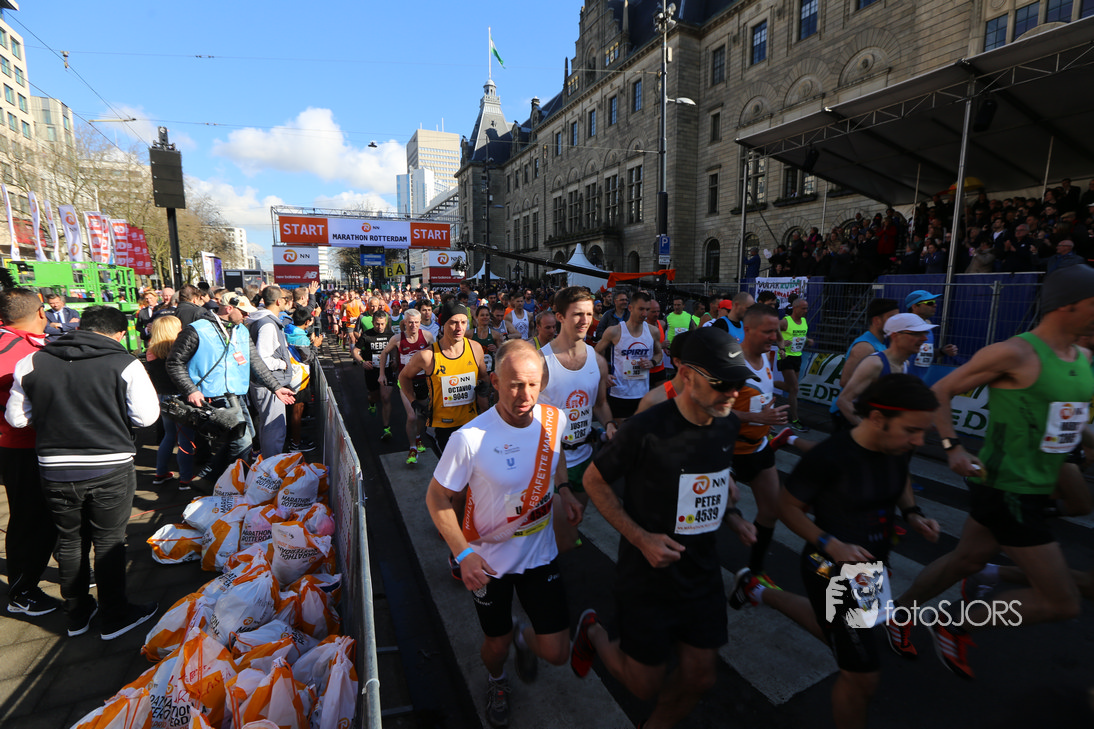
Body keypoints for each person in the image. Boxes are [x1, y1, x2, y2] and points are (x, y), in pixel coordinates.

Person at [884, 266, 1094, 681]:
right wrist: (952, 446)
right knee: (1062, 601)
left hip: (1034, 486)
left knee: (966, 559)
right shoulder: (1015, 353)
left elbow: (1071, 418)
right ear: (1068, 305)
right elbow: (941, 390)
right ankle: (955, 623)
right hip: (1009, 489)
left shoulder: (1082, 357)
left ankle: (899, 614)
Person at [730, 375, 942, 729]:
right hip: (829, 568)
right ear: (878, 418)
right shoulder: (830, 456)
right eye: (912, 430)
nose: (919, 441)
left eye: (922, 432)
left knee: (838, 634)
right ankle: (758, 589)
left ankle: (756, 590)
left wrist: (912, 513)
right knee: (862, 676)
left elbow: (901, 474)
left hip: (869, 567)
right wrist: (831, 543)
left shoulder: (897, 445)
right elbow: (787, 507)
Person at [573, 327, 757, 729]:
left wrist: (732, 516)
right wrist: (641, 539)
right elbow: (594, 481)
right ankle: (594, 633)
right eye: (722, 384)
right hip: (648, 574)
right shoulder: (646, 428)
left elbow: (707, 482)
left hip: (701, 571)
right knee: (643, 685)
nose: (732, 393)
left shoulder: (727, 424)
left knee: (700, 677)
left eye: (739, 384)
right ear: (686, 375)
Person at [425, 339, 582, 728]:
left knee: (558, 652)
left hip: (539, 555)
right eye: (514, 385)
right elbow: (437, 498)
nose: (524, 395)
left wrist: (564, 489)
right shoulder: (470, 438)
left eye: (532, 384)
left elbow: (556, 458)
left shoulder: (554, 420)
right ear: (494, 382)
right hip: (489, 564)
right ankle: (497, 681)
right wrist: (463, 554)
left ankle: (523, 639)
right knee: (496, 646)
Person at [6, 306, 161, 639]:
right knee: (108, 541)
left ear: (81, 327)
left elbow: (16, 418)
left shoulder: (33, 361)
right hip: (110, 465)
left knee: (70, 540)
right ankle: (115, 615)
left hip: (54, 468)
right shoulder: (126, 363)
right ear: (119, 334)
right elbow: (146, 417)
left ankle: (77, 614)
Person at [166, 292, 295, 483]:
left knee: (245, 437)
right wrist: (191, 390)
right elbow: (174, 362)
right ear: (229, 308)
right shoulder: (197, 329)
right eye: (243, 312)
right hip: (211, 396)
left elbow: (256, 363)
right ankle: (228, 482)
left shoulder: (241, 330)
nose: (247, 316)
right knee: (242, 441)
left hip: (236, 395)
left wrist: (276, 387)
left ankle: (212, 478)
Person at [0, 287, 59, 618]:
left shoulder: (24, 344)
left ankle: (66, 565)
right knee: (30, 519)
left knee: (50, 514)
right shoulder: (11, 349)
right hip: (22, 447)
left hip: (38, 444)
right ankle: (22, 591)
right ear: (40, 312)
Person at [539, 286, 615, 539]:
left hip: (583, 458)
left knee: (572, 529)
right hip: (548, 463)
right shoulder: (540, 362)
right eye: (577, 314)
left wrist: (610, 424)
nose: (585, 320)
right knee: (551, 535)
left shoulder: (598, 361)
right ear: (560, 316)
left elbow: (600, 404)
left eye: (589, 314)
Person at [730, 304, 791, 587]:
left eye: (776, 331)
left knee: (771, 510)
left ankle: (754, 572)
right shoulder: (731, 363)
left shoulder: (767, 356)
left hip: (758, 447)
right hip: (728, 452)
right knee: (711, 515)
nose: (774, 337)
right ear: (748, 329)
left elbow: (759, 397)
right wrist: (757, 417)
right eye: (768, 331)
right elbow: (710, 410)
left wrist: (767, 414)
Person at [398, 301, 488, 455]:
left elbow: (484, 377)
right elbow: (403, 377)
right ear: (443, 324)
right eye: (453, 322)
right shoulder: (428, 356)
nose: (459, 328)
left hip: (470, 423)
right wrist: (414, 402)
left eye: (463, 322)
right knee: (452, 469)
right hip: (441, 427)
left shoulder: (475, 348)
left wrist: (483, 391)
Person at [835, 313, 934, 425]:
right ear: (895, 336)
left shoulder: (904, 364)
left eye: (924, 333)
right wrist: (868, 430)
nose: (924, 338)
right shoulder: (875, 364)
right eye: (916, 334)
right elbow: (843, 401)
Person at [827, 298, 900, 429]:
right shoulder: (865, 347)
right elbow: (845, 381)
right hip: (850, 414)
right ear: (877, 321)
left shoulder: (881, 344)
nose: (897, 322)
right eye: (892, 318)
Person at [595, 290, 662, 423]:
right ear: (630, 308)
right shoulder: (615, 331)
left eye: (647, 309)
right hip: (619, 392)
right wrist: (604, 374)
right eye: (641, 309)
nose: (645, 314)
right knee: (622, 432)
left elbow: (659, 353)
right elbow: (595, 353)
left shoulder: (653, 331)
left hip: (642, 393)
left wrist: (652, 362)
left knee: (639, 431)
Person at [145, 316, 196, 489]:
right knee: (185, 440)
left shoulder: (151, 352)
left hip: (163, 397)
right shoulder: (180, 351)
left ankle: (160, 473)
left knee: (168, 436)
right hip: (181, 399)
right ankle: (185, 479)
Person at [379, 308, 435, 464]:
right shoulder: (398, 338)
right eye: (410, 322)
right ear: (404, 322)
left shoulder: (428, 336)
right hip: (405, 382)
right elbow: (384, 353)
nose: (413, 325)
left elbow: (437, 354)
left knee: (421, 415)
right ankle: (412, 448)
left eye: (416, 322)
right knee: (411, 416)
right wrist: (382, 374)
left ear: (420, 322)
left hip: (423, 381)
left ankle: (417, 437)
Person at [247, 286, 295, 458]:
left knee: (268, 427)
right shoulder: (267, 324)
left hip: (266, 382)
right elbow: (263, 358)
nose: (286, 301)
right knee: (274, 430)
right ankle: (271, 466)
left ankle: (268, 464)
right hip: (270, 383)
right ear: (278, 301)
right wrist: (283, 364)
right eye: (284, 299)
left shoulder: (263, 320)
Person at [352, 310, 396, 441]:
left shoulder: (390, 335)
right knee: (374, 396)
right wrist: (362, 362)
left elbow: (394, 349)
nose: (380, 327)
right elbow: (355, 351)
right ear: (372, 322)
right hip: (372, 370)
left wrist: (394, 359)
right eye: (377, 324)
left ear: (386, 322)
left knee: (386, 398)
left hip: (387, 370)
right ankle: (371, 403)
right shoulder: (366, 335)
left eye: (382, 324)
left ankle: (386, 428)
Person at [903, 290, 958, 381]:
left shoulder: (927, 326)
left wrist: (942, 351)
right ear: (915, 306)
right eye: (929, 303)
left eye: (934, 302)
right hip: (903, 381)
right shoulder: (905, 326)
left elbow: (923, 353)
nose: (935, 305)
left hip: (918, 381)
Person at [779, 297, 814, 431]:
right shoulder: (785, 321)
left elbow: (800, 335)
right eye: (803, 308)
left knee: (791, 388)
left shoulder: (804, 321)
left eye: (806, 308)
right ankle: (795, 419)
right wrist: (781, 343)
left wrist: (808, 340)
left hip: (797, 357)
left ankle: (769, 383)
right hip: (785, 357)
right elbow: (772, 330)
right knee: (794, 388)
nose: (806, 311)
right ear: (795, 308)